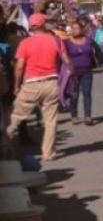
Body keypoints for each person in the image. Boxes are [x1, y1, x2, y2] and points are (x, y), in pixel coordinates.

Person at [5, 13, 72, 161]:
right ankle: (48, 153)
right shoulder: (56, 40)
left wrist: (16, 86)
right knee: (50, 119)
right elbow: (67, 61)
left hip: (32, 84)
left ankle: (3, 145)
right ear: (43, 24)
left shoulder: (25, 43)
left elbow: (19, 66)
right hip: (52, 83)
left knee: (14, 117)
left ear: (31, 26)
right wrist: (70, 78)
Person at [64, 20, 102, 126]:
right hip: (73, 73)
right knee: (74, 94)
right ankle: (74, 116)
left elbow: (98, 51)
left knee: (87, 94)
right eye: (72, 29)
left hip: (87, 72)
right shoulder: (66, 42)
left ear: (82, 30)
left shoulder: (89, 41)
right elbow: (62, 56)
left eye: (77, 28)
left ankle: (88, 117)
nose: (74, 31)